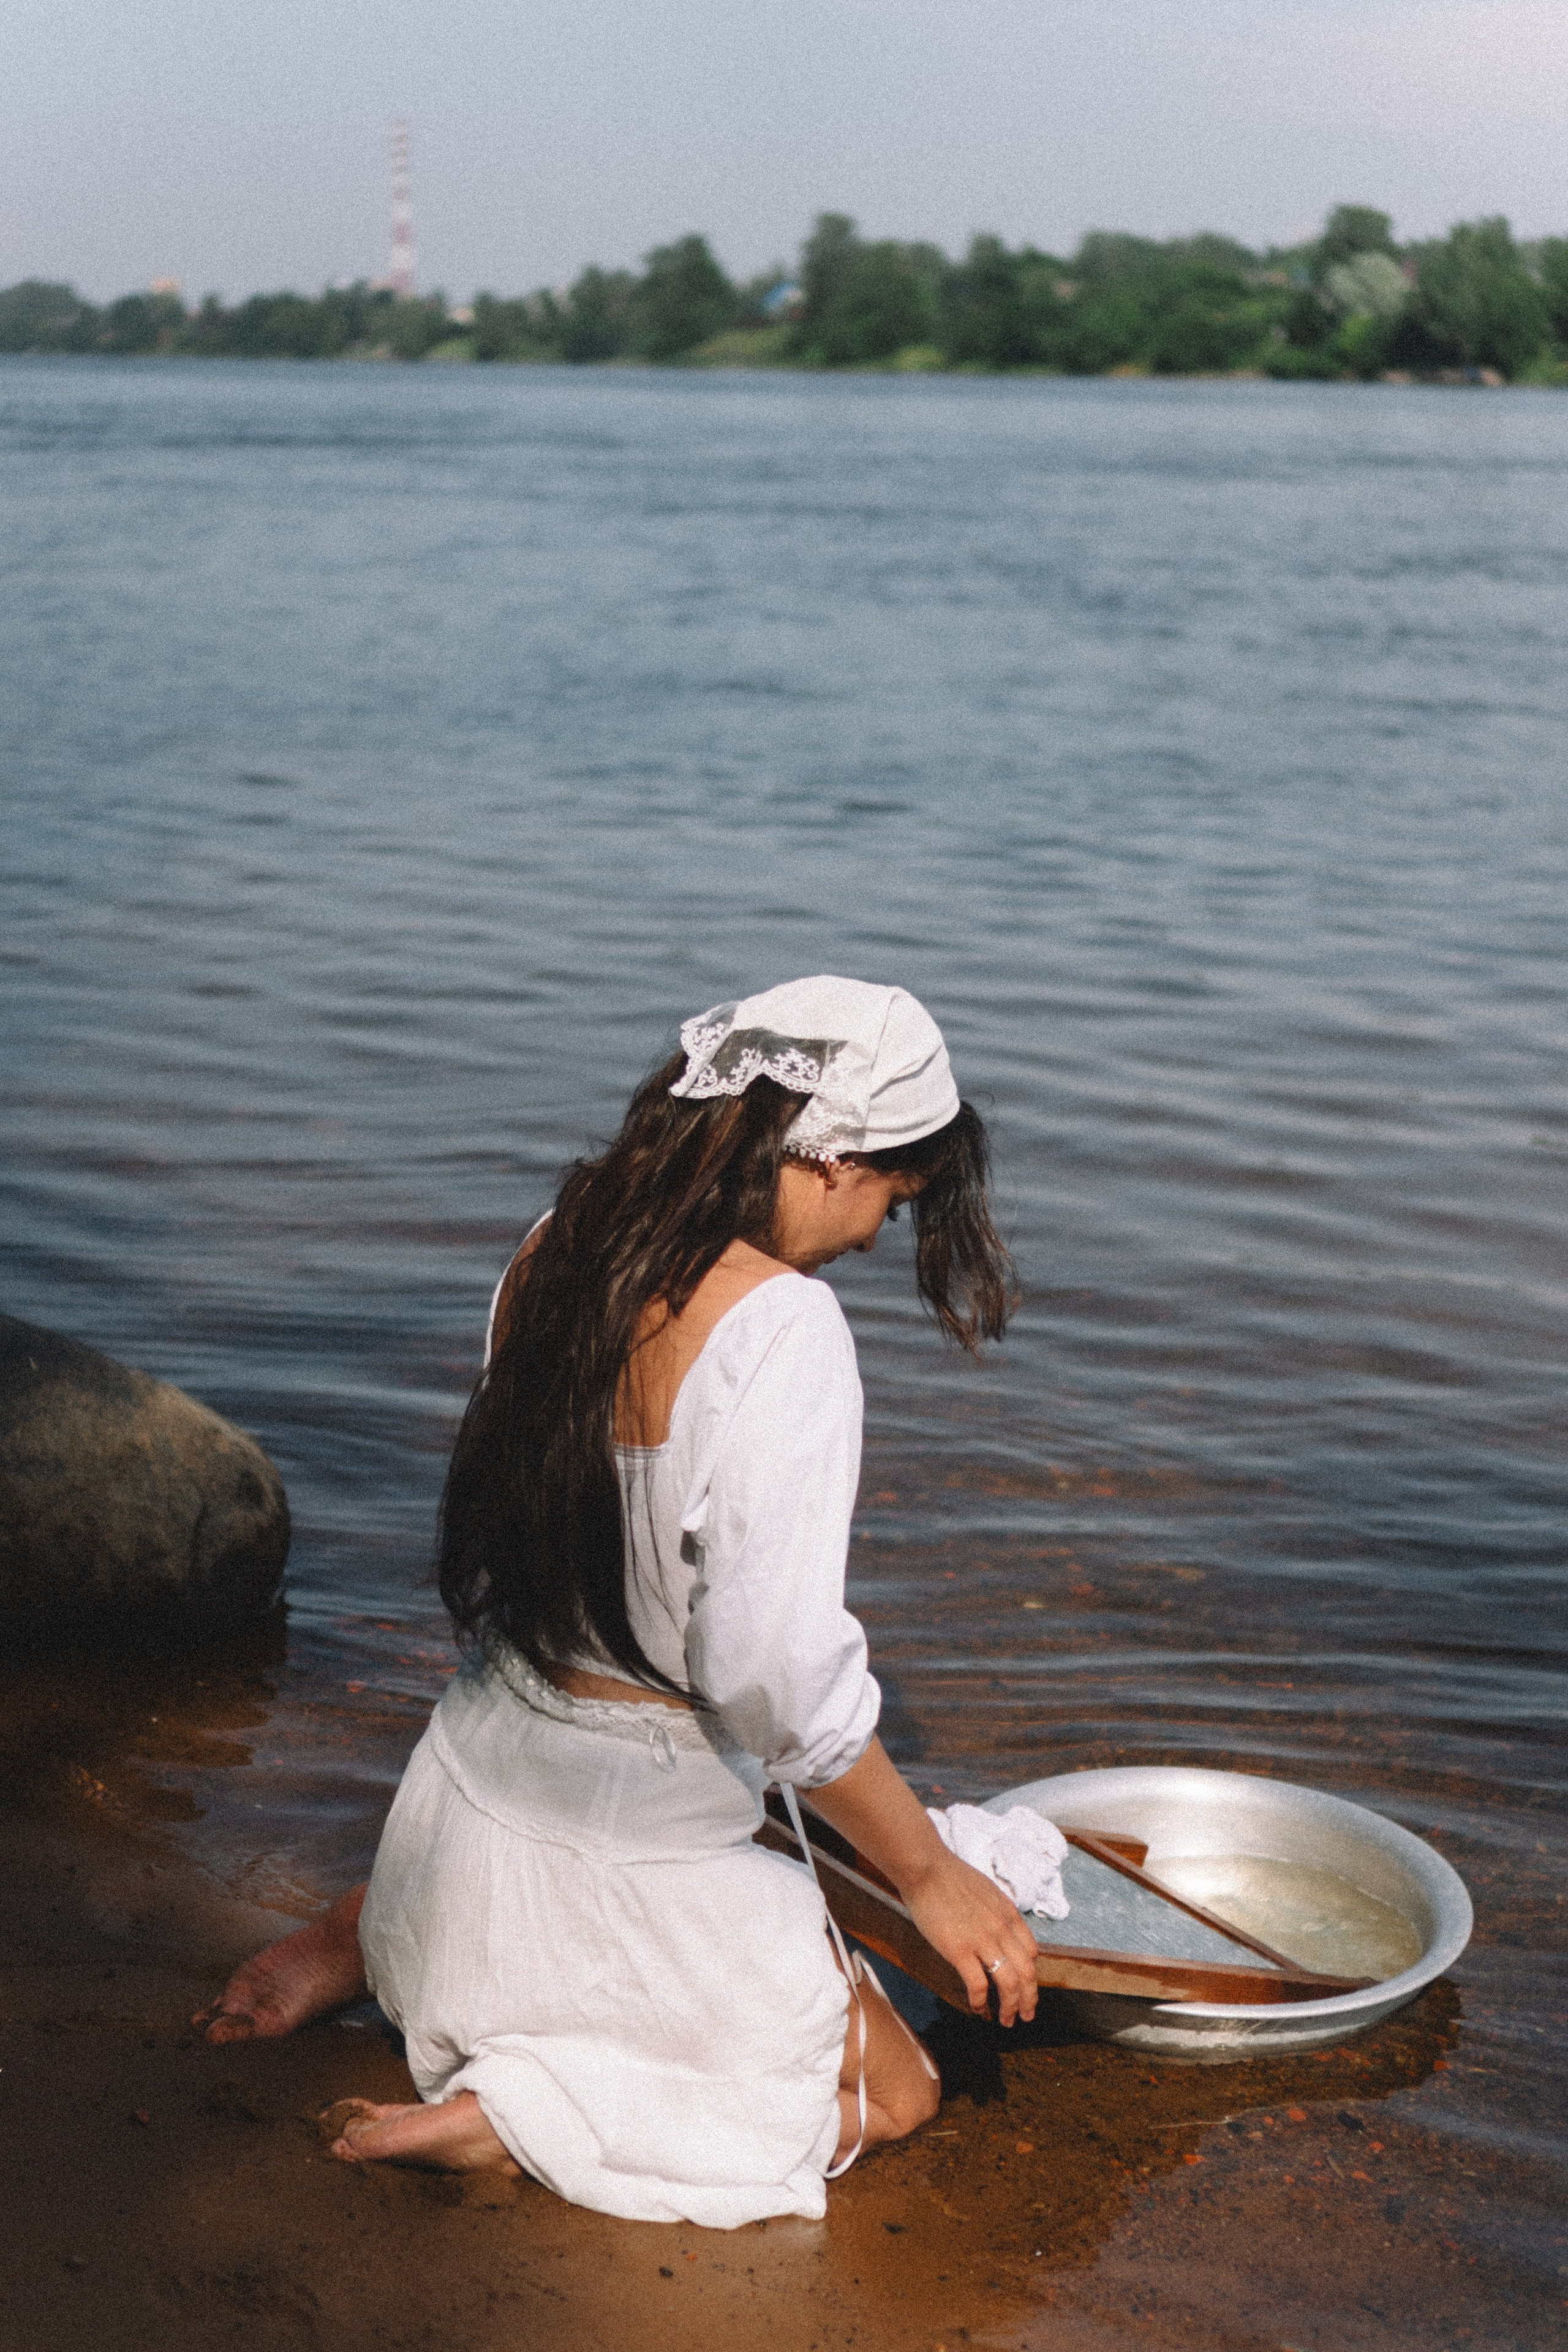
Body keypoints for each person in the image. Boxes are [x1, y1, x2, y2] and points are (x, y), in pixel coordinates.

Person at [196, 976, 1036, 2226]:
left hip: (467, 1805)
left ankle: (371, 1932)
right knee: (891, 2095)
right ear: (833, 1158)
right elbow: (772, 1668)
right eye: (889, 1199)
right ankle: (519, 2119)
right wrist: (923, 1875)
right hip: (619, 1844)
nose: (869, 1240)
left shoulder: (557, 1243)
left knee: (727, 1806)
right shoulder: (783, 1334)